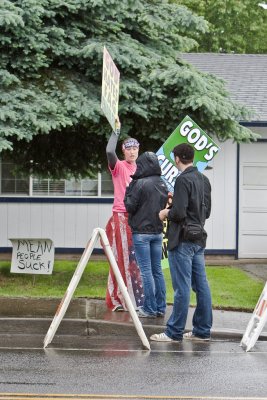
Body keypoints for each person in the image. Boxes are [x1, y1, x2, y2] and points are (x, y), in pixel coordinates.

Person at [150, 143, 212, 341]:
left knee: (182, 287)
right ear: (192, 157)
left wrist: (164, 212)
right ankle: (202, 331)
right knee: (201, 286)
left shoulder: (182, 180)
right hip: (199, 238)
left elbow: (178, 213)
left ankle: (174, 332)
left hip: (182, 239)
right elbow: (207, 212)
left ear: (177, 158)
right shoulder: (204, 179)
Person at [105, 118, 144, 312]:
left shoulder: (141, 169)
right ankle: (117, 298)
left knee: (136, 260)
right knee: (121, 258)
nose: (132, 151)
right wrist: (116, 131)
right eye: (128, 149)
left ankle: (135, 298)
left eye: (135, 148)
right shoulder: (118, 166)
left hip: (137, 218)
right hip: (121, 215)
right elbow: (109, 152)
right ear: (124, 151)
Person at [124, 151, 168, 318]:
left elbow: (130, 206)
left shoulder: (139, 183)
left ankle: (149, 308)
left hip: (141, 233)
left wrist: (128, 191)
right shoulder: (162, 183)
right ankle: (160, 307)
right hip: (157, 232)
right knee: (157, 270)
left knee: (146, 271)